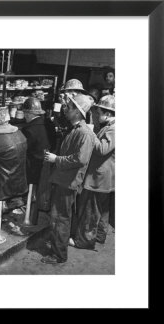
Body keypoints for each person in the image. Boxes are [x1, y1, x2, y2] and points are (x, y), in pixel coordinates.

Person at [41, 93, 95, 264]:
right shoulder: (75, 129)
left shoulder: (84, 133)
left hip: (68, 182)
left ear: (78, 113)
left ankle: (58, 255)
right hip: (63, 179)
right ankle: (58, 244)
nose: (66, 109)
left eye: (70, 108)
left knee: (60, 218)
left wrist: (56, 159)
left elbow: (81, 159)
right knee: (60, 217)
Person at [73, 95, 115, 250]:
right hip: (105, 178)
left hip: (99, 178)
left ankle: (84, 241)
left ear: (109, 114)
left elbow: (103, 149)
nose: (97, 114)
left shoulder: (114, 128)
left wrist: (90, 133)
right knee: (103, 210)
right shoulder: (110, 126)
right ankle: (99, 236)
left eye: (99, 112)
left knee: (91, 210)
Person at [21, 97, 53, 222]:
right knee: (39, 192)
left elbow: (24, 150)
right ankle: (32, 215)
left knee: (32, 194)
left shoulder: (29, 130)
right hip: (46, 162)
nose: (24, 116)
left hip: (33, 166)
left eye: (24, 113)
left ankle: (30, 220)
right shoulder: (48, 124)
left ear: (28, 113)